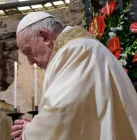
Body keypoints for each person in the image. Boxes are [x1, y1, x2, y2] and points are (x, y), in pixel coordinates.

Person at [11, 12, 137, 140]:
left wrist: (29, 132)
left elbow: (61, 112)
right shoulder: (83, 47)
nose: (31, 61)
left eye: (29, 51)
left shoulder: (76, 51)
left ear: (44, 37)